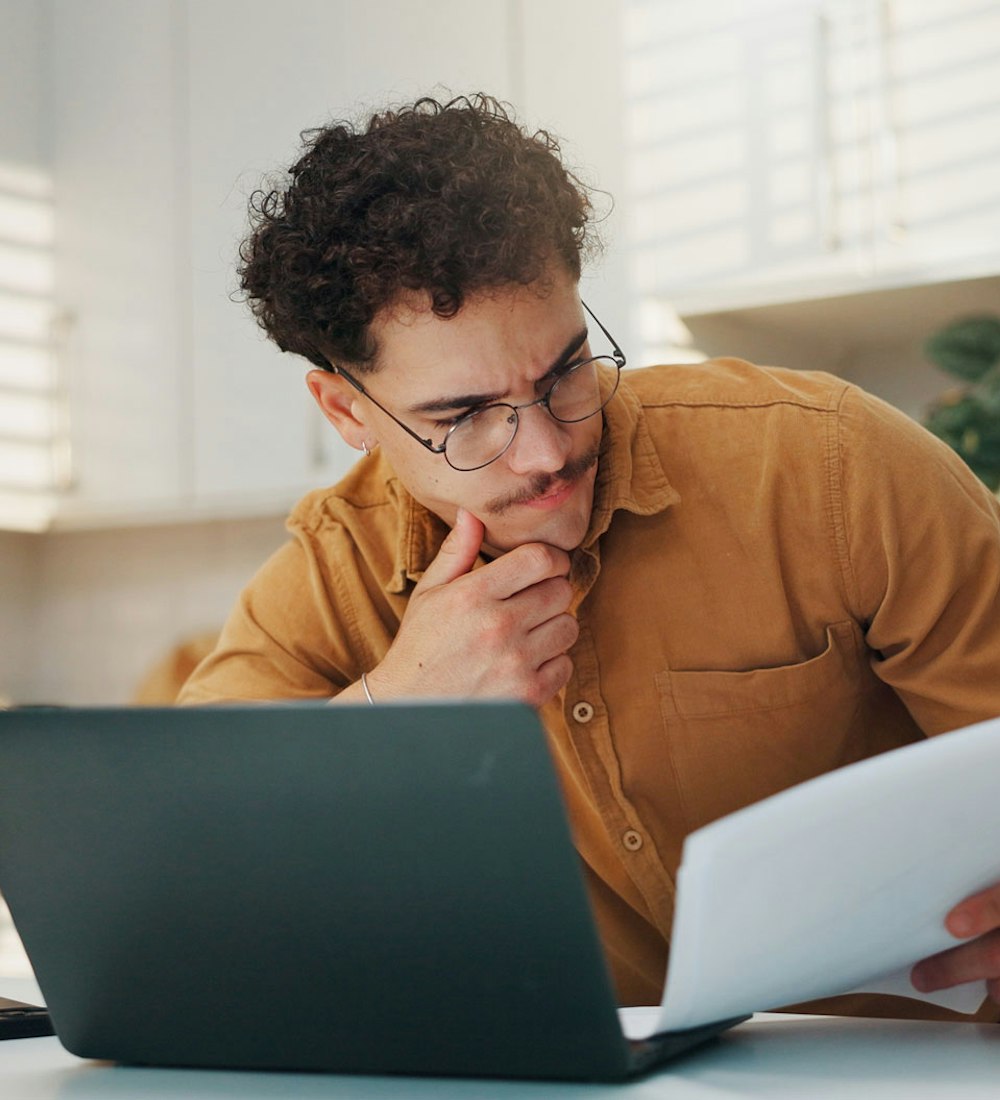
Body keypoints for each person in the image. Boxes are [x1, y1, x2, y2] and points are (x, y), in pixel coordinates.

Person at [179, 94, 1000, 1021]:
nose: (544, 452)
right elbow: (170, 867)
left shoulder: (835, 470)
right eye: (464, 417)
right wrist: (392, 710)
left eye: (567, 369)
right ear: (347, 413)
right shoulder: (335, 569)